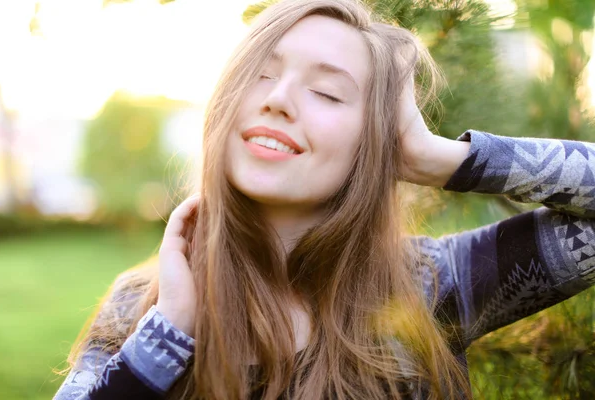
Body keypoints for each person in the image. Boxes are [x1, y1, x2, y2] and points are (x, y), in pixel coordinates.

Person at [52, 0, 595, 399]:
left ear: (376, 139)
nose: (279, 99)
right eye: (260, 75)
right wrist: (168, 334)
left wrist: (437, 158)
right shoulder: (139, 307)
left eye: (326, 92)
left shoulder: (434, 284)